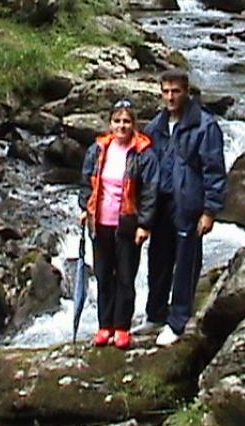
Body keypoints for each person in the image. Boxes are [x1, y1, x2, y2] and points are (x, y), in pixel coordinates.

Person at [144, 69, 227, 347]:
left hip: (189, 205)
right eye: (165, 91)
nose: (170, 97)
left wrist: (210, 210)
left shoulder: (205, 126)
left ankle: (178, 321)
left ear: (186, 92)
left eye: (175, 91)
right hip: (161, 203)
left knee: (186, 265)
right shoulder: (156, 126)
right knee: (158, 260)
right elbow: (145, 166)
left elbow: (214, 171)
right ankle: (155, 313)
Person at [78, 99, 159, 349]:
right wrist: (84, 208)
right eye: (117, 121)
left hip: (127, 224)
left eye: (126, 121)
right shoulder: (98, 150)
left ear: (134, 125)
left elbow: (149, 192)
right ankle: (104, 325)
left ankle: (122, 327)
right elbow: (86, 181)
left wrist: (144, 225)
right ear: (110, 123)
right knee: (103, 275)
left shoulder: (143, 154)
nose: (121, 126)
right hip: (100, 222)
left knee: (125, 277)